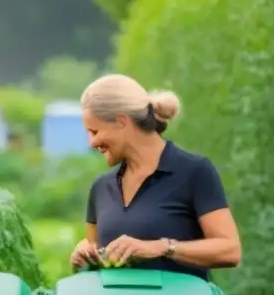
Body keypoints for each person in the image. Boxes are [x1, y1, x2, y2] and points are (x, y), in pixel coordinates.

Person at [69, 74, 241, 280]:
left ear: (122, 121)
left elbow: (230, 251)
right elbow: (94, 251)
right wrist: (84, 252)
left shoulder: (194, 172)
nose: (92, 143)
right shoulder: (101, 187)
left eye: (95, 131)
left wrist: (161, 247)